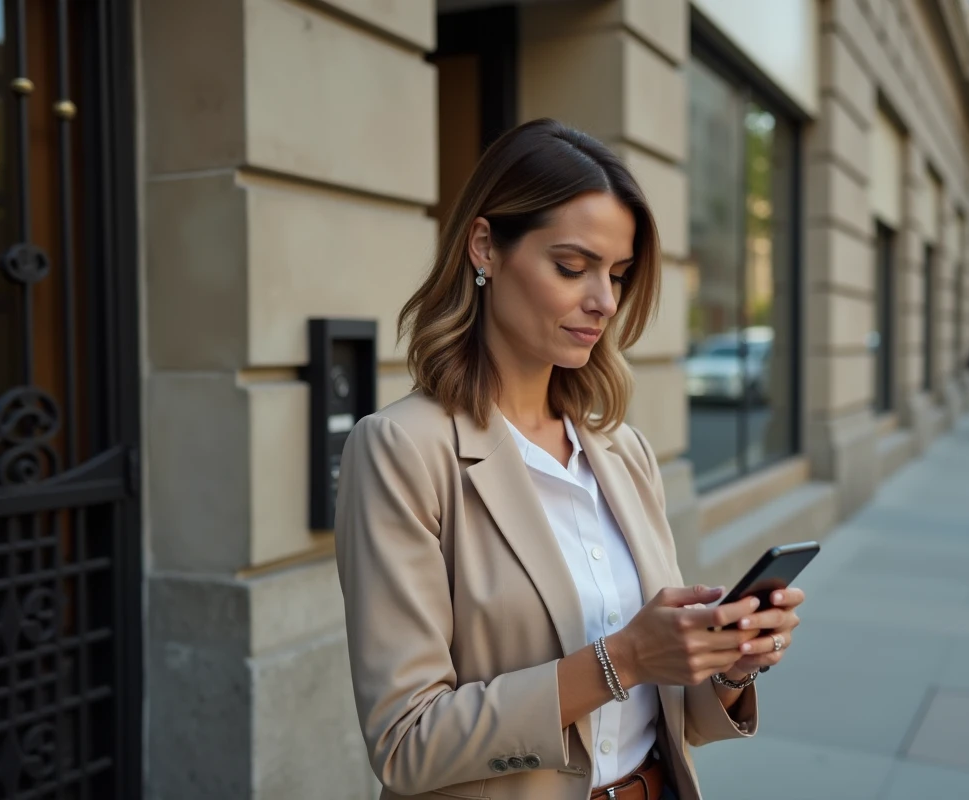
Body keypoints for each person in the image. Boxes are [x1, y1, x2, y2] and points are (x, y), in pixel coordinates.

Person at [333, 119, 805, 800]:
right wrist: (624, 658)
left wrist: (728, 664)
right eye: (572, 267)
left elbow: (670, 718)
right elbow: (406, 743)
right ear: (485, 247)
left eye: (617, 274)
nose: (604, 302)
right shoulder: (404, 450)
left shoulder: (623, 452)